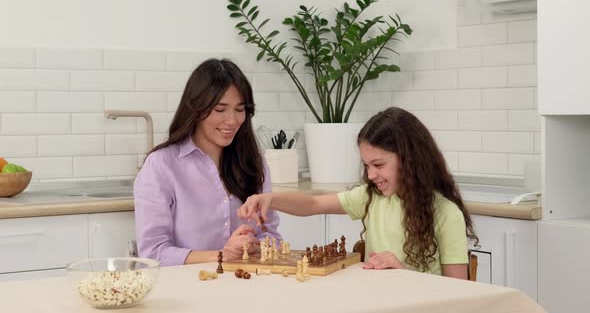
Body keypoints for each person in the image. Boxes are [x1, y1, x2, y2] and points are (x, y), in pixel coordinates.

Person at [238, 107, 478, 279]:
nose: (371, 175)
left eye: (379, 165)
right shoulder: (372, 197)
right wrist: (269, 199)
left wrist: (405, 275)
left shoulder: (446, 213)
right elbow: (312, 204)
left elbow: (458, 293)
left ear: (410, 159)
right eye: (366, 166)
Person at [134, 58, 281, 266]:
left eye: (240, 110)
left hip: (246, 284)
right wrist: (223, 255)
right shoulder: (161, 165)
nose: (231, 120)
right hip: (188, 289)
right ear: (196, 108)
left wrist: (256, 246)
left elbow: (272, 236)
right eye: (220, 110)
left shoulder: (254, 163)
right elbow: (153, 253)